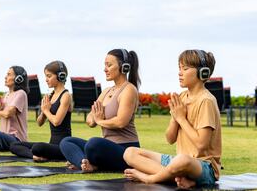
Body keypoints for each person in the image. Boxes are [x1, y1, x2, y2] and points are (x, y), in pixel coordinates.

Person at [123, 49, 221, 189]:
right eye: (179, 68)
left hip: (204, 167)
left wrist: (181, 118)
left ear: (203, 72)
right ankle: (178, 178)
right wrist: (176, 117)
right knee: (130, 153)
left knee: (182, 160)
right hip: (178, 162)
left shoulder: (206, 101)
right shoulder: (181, 97)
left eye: (185, 68)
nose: (179, 73)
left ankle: (151, 178)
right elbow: (170, 138)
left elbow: (201, 144)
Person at [60, 49, 141, 172]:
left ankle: (90, 162)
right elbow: (90, 120)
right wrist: (95, 119)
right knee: (66, 142)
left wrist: (99, 120)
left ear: (124, 67)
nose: (105, 69)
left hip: (125, 149)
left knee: (93, 144)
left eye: (109, 65)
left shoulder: (129, 90)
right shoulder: (106, 91)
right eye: (105, 65)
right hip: (105, 147)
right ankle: (84, 163)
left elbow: (120, 122)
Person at [10, 61, 72, 162]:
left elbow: (57, 122)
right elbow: (39, 122)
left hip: (63, 146)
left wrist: (46, 110)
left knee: (38, 148)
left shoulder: (66, 96)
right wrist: (43, 112)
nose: (46, 79)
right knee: (14, 145)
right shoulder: (50, 96)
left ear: (60, 76)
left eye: (49, 76)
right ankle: (34, 156)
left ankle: (38, 153)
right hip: (52, 144)